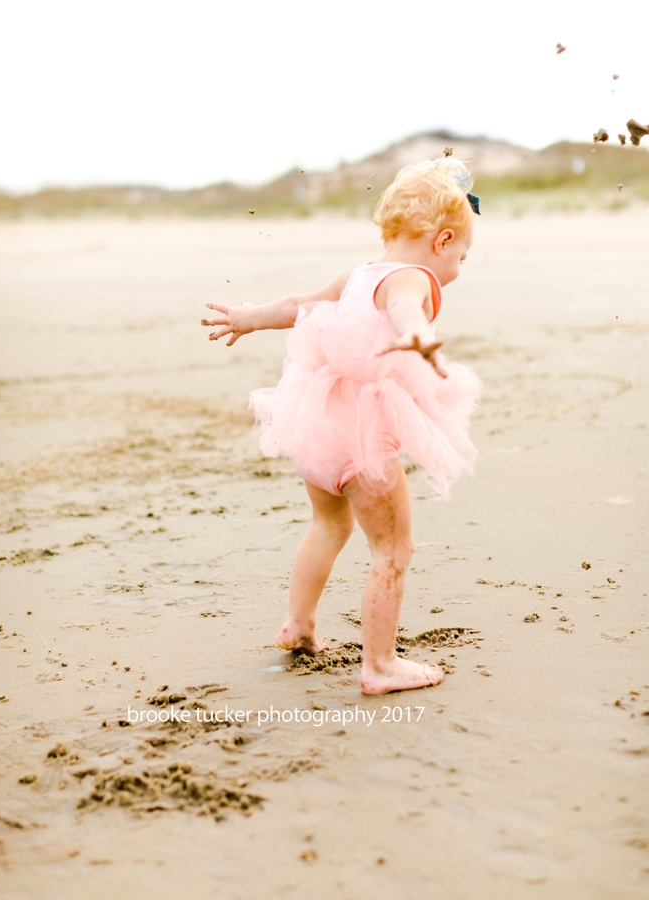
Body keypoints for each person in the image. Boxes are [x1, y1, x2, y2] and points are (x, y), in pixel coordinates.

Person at [202, 159, 482, 694]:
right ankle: (380, 665)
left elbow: (296, 308)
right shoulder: (412, 278)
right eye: (462, 256)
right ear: (442, 240)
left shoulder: (357, 274)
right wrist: (417, 332)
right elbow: (404, 306)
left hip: (318, 429)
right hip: (363, 442)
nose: (459, 267)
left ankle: (298, 625)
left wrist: (248, 316)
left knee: (329, 527)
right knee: (393, 550)